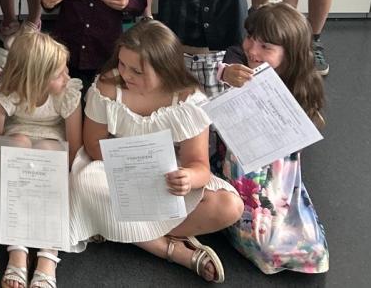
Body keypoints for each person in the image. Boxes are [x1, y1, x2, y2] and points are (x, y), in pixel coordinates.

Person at [69, 21, 242, 283]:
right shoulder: (107, 86)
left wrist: (187, 178)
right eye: (122, 64)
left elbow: (199, 166)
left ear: (165, 70)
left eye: (137, 71)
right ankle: (169, 249)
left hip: (164, 177)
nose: (125, 74)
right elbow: (93, 145)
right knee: (85, 183)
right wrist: (130, 167)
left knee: (229, 206)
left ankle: (114, 228)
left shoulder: (189, 100)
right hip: (112, 170)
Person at [216, 2, 329, 274]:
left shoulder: (300, 84)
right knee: (263, 240)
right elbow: (222, 66)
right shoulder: (239, 61)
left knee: (307, 245)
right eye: (250, 38)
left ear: (290, 53)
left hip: (277, 172)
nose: (252, 50)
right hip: (236, 163)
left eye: (265, 46)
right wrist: (225, 73)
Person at [0, 30, 83, 288]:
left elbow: (74, 147)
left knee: (48, 152)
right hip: (17, 140)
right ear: (35, 77)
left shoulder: (67, 92)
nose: (67, 76)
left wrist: (49, 175)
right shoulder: (8, 93)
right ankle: (17, 249)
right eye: (59, 74)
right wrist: (15, 169)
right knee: (17, 144)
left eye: (65, 69)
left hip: (52, 143)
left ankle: (48, 254)